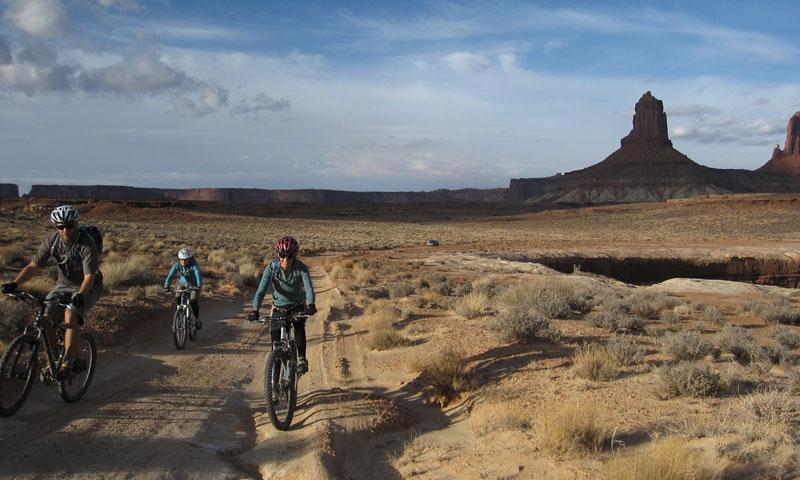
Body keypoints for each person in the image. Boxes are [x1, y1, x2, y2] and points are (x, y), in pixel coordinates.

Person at [1, 205, 103, 376]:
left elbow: (89, 277)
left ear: (76, 224)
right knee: (46, 317)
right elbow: (33, 266)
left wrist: (80, 296)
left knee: (71, 314)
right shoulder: (52, 242)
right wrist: (15, 283)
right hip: (63, 285)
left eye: (69, 225)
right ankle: (54, 360)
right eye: (60, 227)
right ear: (56, 227)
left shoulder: (86, 243)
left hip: (88, 286)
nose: (65, 230)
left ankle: (68, 363)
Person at [248, 236, 316, 374]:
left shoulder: (301, 268)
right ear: (278, 255)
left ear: (295, 255)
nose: (286, 260)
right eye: (282, 256)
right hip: (279, 307)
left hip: (297, 305)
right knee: (275, 342)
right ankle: (275, 378)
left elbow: (308, 288)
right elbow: (261, 291)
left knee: (298, 326)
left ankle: (302, 358)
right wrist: (255, 310)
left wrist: (311, 304)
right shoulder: (271, 268)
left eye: (290, 256)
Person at [163, 247, 203, 330]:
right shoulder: (177, 265)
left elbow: (198, 274)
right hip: (182, 284)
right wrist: (166, 287)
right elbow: (170, 276)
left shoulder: (194, 265)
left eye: (185, 259)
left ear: (189, 258)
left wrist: (199, 286)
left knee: (193, 300)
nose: (183, 261)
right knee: (177, 296)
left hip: (194, 285)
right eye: (181, 259)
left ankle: (196, 318)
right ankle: (180, 312)